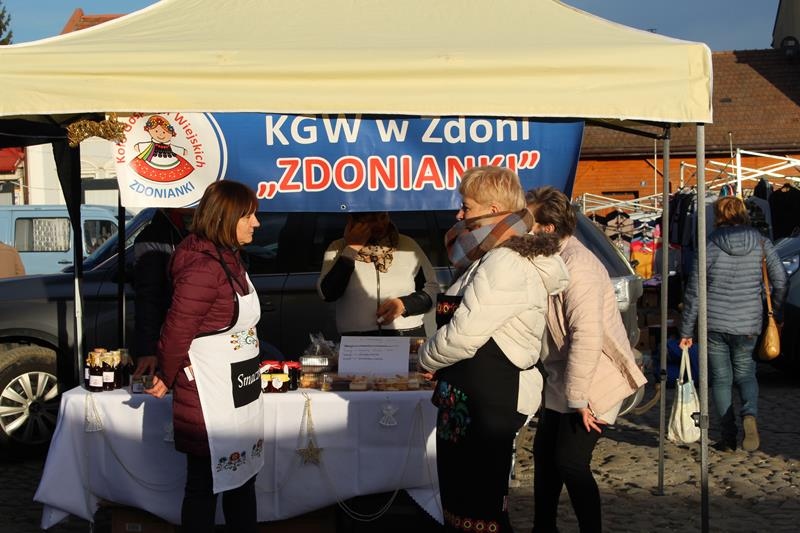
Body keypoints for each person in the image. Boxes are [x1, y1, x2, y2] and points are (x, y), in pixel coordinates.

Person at [419, 166, 569, 532]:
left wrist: (425, 356)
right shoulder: (489, 257)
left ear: (493, 209)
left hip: (486, 402)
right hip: (470, 397)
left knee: (479, 507)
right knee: (464, 505)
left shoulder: (505, 261)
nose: (459, 214)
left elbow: (464, 335)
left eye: (466, 206)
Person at [526, 186, 647, 533]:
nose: (523, 231)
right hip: (562, 376)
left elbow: (587, 337)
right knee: (545, 457)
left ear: (548, 228)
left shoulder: (578, 267)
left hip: (594, 379)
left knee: (570, 462)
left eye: (528, 224)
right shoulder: (552, 259)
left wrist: (579, 399)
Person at [144, 180, 263, 533]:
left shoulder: (229, 257)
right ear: (226, 217)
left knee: (243, 479)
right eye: (248, 216)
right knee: (204, 485)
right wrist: (166, 374)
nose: (256, 223)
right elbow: (177, 329)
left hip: (238, 390)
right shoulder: (202, 267)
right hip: (209, 396)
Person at [679, 196, 786, 452]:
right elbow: (781, 280)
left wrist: (686, 330)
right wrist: (774, 312)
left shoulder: (709, 245)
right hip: (749, 322)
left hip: (714, 323)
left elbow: (694, 291)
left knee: (721, 379)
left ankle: (728, 437)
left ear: (718, 216)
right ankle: (749, 414)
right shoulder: (761, 242)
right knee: (746, 374)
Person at [317, 211, 439, 337]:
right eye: (371, 220)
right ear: (354, 221)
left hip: (405, 335)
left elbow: (433, 290)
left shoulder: (408, 245)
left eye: (383, 217)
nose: (380, 225)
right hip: (358, 340)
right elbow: (327, 294)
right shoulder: (338, 247)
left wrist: (404, 305)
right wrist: (351, 250)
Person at [131, 207, 192, 379]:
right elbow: (148, 298)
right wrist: (148, 350)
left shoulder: (211, 231)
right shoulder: (154, 236)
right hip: (171, 338)